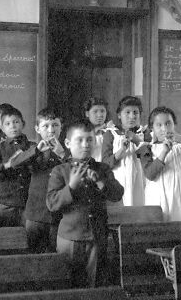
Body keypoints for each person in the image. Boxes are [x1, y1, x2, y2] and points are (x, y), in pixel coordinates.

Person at [46, 119, 124, 287]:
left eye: (89, 140)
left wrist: (101, 182)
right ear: (67, 143)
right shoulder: (60, 171)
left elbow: (117, 194)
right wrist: (71, 187)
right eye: (79, 140)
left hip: (97, 236)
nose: (85, 144)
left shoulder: (102, 169)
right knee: (69, 285)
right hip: (70, 238)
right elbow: (52, 203)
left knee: (94, 284)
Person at [8, 108, 67, 253]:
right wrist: (36, 151)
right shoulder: (31, 150)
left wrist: (62, 154)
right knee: (34, 258)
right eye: (45, 126)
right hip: (35, 215)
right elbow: (14, 164)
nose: (51, 130)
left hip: (58, 216)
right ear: (37, 129)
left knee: (57, 259)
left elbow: (75, 173)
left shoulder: (68, 151)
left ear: (61, 127)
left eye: (55, 125)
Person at [0, 107, 33, 227]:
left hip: (28, 201)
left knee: (27, 237)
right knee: (8, 235)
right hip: (6, 202)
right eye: (7, 124)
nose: (12, 126)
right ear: (2, 128)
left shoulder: (32, 147)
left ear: (23, 124)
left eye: (16, 122)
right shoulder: (0, 148)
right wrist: (7, 165)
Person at [142, 106, 181, 222]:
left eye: (168, 123)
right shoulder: (148, 148)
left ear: (174, 124)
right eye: (159, 125)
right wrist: (164, 152)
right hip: (160, 196)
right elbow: (150, 174)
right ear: (152, 128)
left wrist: (180, 139)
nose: (164, 128)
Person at [102, 96, 151, 206]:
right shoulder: (111, 133)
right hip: (119, 181)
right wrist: (121, 151)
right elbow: (105, 163)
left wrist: (138, 141)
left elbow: (150, 158)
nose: (132, 116)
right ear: (119, 115)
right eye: (127, 113)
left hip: (140, 180)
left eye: (135, 112)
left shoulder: (145, 133)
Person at [84, 97, 111, 161]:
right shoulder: (82, 132)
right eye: (95, 111)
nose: (99, 115)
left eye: (102, 111)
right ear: (87, 114)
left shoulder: (111, 131)